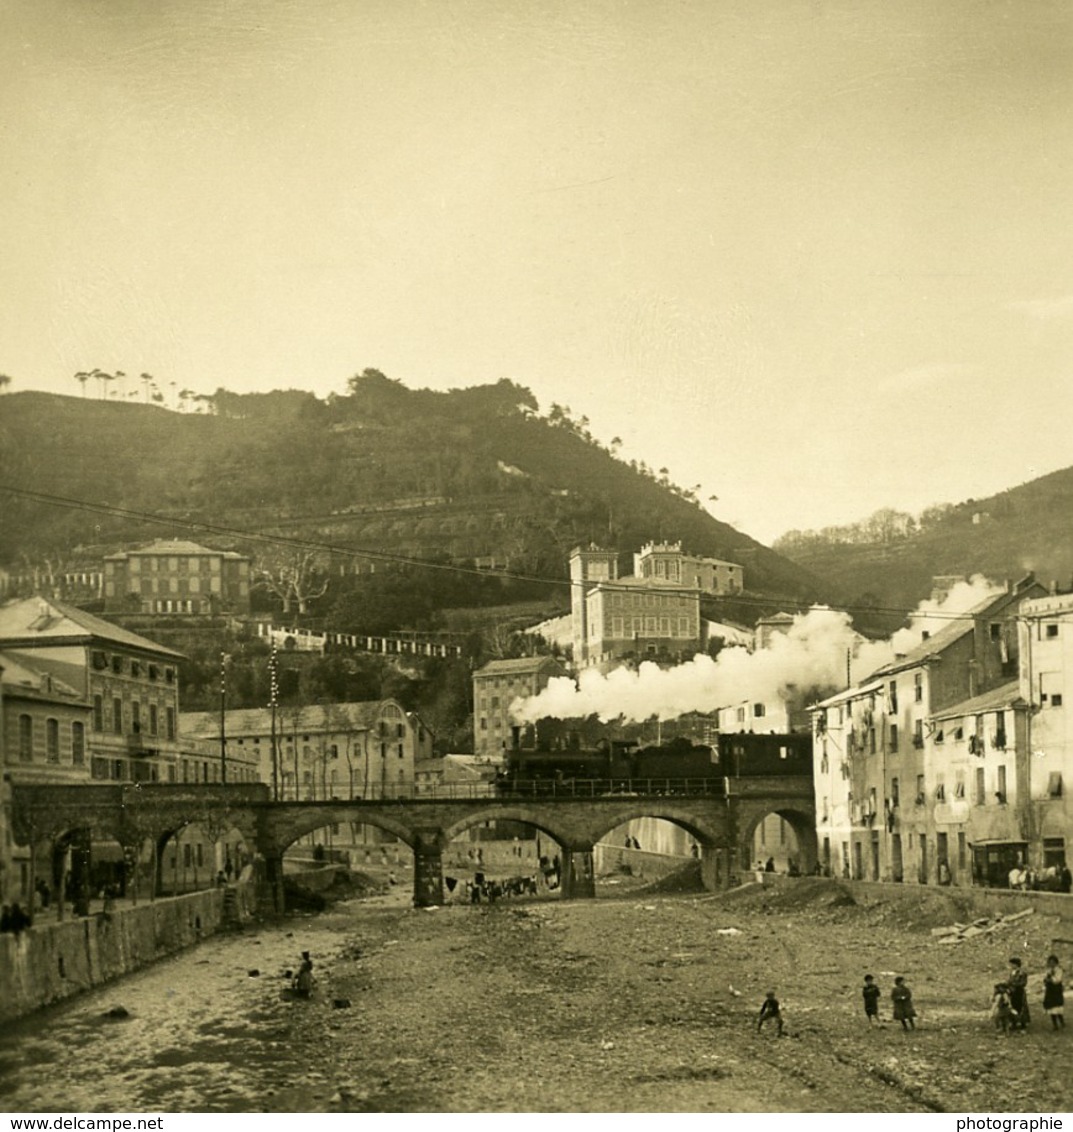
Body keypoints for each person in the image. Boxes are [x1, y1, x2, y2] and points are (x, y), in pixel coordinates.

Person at [1043, 954, 1065, 1031]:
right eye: (1049, 962)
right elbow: (1045, 978)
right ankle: (1055, 1024)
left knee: (1057, 1007)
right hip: (1050, 991)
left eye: (1052, 962)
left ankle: (1061, 1021)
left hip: (1056, 990)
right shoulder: (1049, 970)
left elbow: (1057, 980)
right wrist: (1046, 980)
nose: (1051, 964)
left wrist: (1051, 979)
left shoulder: (1059, 970)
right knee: (1051, 1007)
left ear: (1056, 962)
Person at [1007, 957, 1030, 1030]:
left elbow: (1023, 983)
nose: (1011, 966)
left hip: (1019, 991)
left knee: (1021, 1006)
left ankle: (1023, 1023)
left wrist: (1014, 984)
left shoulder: (1022, 973)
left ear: (1016, 964)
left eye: (1012, 964)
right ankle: (1014, 1022)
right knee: (1013, 1006)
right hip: (1013, 991)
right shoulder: (1012, 972)